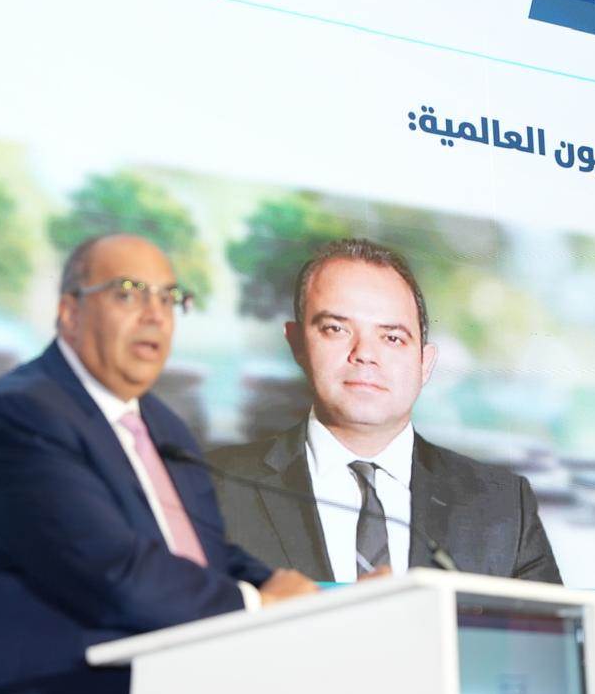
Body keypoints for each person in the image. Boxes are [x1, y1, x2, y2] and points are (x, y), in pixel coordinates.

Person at [0, 233, 317, 694]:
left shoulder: (164, 425)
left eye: (169, 298)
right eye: (129, 293)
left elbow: (205, 556)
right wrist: (256, 605)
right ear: (70, 312)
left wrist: (307, 600)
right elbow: (110, 570)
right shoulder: (19, 416)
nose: (155, 315)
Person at [208, 238, 561, 583]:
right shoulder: (213, 486)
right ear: (297, 343)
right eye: (336, 329)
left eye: (392, 338)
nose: (364, 353)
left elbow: (547, 624)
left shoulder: (502, 506)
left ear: (425, 363)